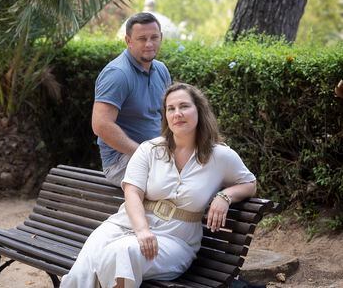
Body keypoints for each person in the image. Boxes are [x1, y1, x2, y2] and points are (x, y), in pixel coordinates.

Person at [60, 83, 257, 288]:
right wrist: (142, 230)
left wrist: (225, 196)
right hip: (124, 224)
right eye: (171, 109)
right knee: (80, 274)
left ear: (199, 110)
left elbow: (249, 183)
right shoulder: (149, 149)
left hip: (174, 240)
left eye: (184, 106)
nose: (177, 113)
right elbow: (132, 192)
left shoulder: (221, 156)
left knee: (122, 253)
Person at [92, 12, 172, 186]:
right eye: (142, 39)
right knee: (179, 182)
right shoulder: (118, 74)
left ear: (161, 38)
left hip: (158, 154)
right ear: (128, 41)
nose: (149, 44)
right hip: (121, 162)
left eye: (154, 37)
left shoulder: (161, 70)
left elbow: (168, 116)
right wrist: (145, 154)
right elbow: (101, 125)